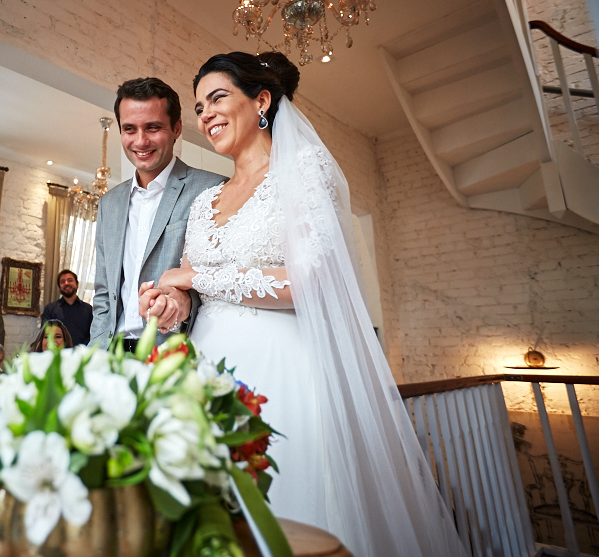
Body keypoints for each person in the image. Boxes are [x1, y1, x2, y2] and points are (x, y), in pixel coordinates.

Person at [143, 52, 465, 557]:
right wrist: (170, 301)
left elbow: (311, 280)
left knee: (287, 516)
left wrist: (196, 276)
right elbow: (190, 292)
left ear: (262, 101)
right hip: (206, 368)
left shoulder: (303, 170)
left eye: (218, 98)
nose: (205, 114)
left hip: (284, 366)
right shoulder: (205, 202)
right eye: (200, 106)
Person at [90, 77, 226, 352]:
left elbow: (218, 284)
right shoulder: (109, 203)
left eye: (153, 128)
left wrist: (182, 303)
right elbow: (104, 293)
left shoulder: (213, 188)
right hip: (111, 353)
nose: (141, 141)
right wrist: (94, 353)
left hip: (176, 352)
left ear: (176, 128)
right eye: (130, 129)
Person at [41, 269, 92, 344]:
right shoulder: (50, 309)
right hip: (58, 353)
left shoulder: (89, 310)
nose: (66, 283)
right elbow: (46, 334)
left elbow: (93, 334)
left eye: (70, 280)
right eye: (62, 282)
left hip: (82, 354)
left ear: (77, 284)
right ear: (59, 287)